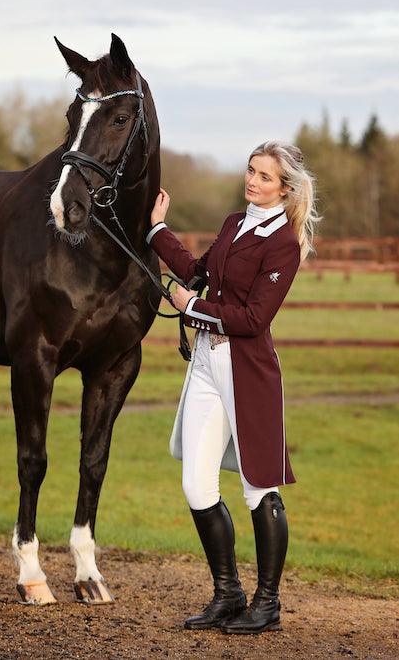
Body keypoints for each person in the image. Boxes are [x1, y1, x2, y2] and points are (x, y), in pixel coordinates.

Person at [146, 140, 319, 635]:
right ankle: (228, 594)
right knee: (196, 484)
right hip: (204, 363)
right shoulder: (232, 223)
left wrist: (191, 308)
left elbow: (254, 318)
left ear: (285, 189)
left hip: (247, 372)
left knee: (258, 486)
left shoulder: (283, 242)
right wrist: (158, 229)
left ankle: (267, 604)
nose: (253, 181)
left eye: (265, 177)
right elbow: (199, 273)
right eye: (250, 171)